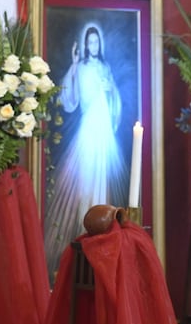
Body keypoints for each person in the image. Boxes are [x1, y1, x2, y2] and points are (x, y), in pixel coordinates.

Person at [44, 24, 128, 281]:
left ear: (99, 44)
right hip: (89, 127)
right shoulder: (79, 68)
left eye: (95, 43)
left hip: (103, 130)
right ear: (85, 44)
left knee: (102, 181)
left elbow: (116, 105)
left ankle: (102, 232)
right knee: (85, 181)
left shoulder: (105, 69)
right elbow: (70, 101)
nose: (93, 46)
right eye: (89, 42)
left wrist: (110, 90)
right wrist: (73, 65)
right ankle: (84, 232)